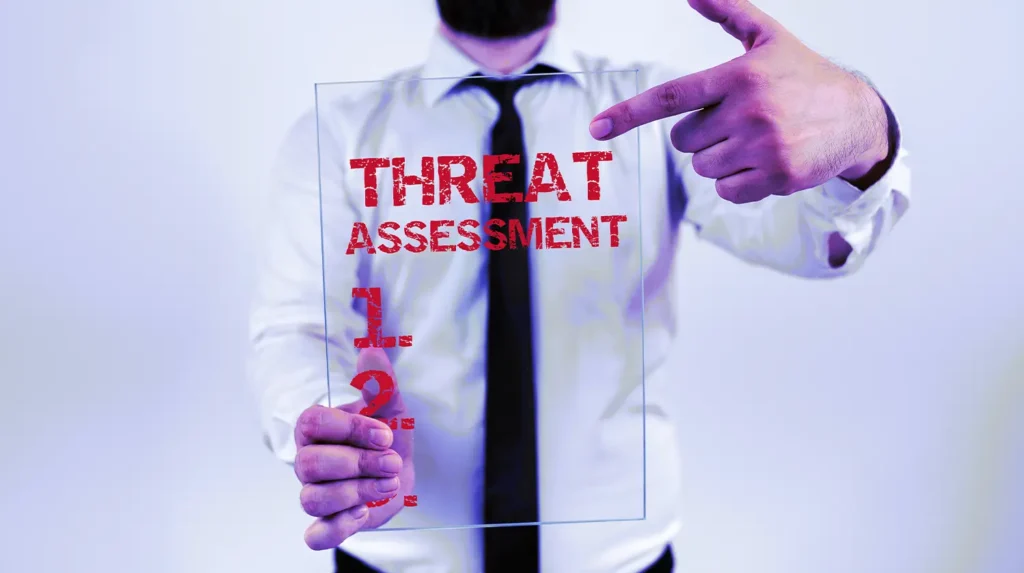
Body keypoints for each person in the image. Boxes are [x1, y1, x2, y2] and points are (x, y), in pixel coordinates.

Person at [248, 0, 911, 571]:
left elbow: (814, 243)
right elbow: (295, 327)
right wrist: (338, 430)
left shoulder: (661, 115)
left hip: (622, 562)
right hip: (393, 558)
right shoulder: (336, 134)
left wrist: (861, 136)